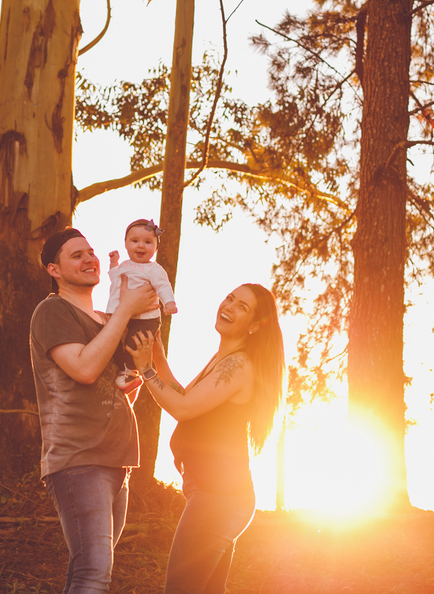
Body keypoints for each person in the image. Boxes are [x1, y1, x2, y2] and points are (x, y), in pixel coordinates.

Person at [127, 284, 285, 594]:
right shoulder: (225, 358)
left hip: (219, 498)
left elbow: (183, 409)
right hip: (221, 496)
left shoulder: (239, 365)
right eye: (230, 298)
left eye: (243, 307)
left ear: (255, 326)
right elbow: (188, 397)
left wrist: (145, 368)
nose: (229, 306)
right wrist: (157, 358)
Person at [30, 227, 160, 594]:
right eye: (76, 255)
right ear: (54, 270)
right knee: (94, 573)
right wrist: (126, 310)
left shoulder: (104, 321)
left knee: (89, 569)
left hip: (118, 461)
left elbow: (107, 388)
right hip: (78, 459)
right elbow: (84, 370)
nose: (90, 259)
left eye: (91, 252)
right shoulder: (51, 310)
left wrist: (128, 387)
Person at [106, 218, 178, 373]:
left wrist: (169, 302)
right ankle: (124, 370)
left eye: (147, 242)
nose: (140, 245)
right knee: (117, 344)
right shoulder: (124, 265)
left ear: (156, 248)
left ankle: (132, 373)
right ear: (125, 243)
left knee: (134, 344)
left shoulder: (153, 269)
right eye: (135, 241)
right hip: (125, 316)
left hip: (146, 319)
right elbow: (116, 280)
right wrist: (114, 264)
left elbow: (163, 286)